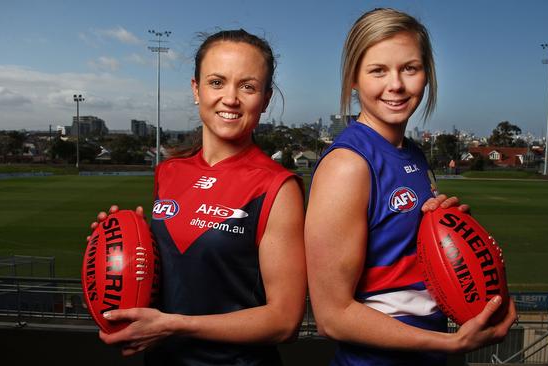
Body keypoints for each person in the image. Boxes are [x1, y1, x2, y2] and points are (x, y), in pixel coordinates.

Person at [304, 8, 516, 365]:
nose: (396, 85)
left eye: (410, 68)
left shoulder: (413, 154)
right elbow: (331, 317)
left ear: (427, 75)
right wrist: (449, 344)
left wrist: (445, 224)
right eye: (378, 70)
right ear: (354, 79)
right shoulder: (347, 165)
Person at [90, 29, 307, 365]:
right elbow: (175, 276)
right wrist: (122, 240)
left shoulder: (278, 187)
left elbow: (284, 321)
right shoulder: (169, 172)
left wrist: (174, 326)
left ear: (264, 100)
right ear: (196, 89)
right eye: (217, 82)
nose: (230, 98)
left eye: (247, 86)